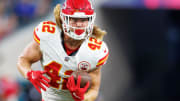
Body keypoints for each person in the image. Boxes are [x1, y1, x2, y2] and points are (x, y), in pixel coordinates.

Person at [17, 0, 109, 101]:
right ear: (64, 19)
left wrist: (82, 97)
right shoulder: (47, 35)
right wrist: (29, 73)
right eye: (74, 20)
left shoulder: (96, 50)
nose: (79, 25)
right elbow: (23, 60)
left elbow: (94, 90)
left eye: (83, 20)